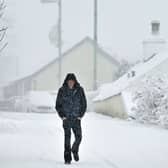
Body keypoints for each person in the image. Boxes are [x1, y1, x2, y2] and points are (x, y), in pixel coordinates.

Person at [55, 73, 87, 165]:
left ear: (74, 82)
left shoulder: (80, 90)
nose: (70, 83)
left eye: (72, 81)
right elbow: (58, 105)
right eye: (69, 81)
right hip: (66, 119)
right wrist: (63, 116)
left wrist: (80, 115)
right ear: (66, 82)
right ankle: (67, 158)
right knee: (67, 138)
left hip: (76, 119)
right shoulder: (62, 90)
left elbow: (84, 103)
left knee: (79, 137)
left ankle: (74, 150)